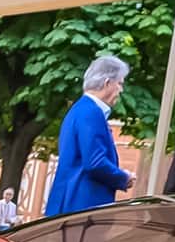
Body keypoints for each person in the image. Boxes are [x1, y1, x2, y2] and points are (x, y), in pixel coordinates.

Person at [44, 55, 136, 217]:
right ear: (107, 83)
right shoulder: (92, 112)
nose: (121, 90)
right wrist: (123, 178)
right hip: (82, 207)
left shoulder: (79, 109)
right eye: (120, 83)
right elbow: (95, 163)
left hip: (69, 204)